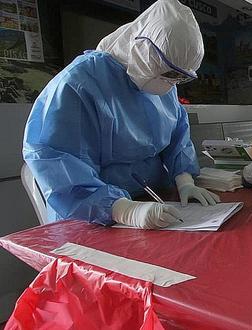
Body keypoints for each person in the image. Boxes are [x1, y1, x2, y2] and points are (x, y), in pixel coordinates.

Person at [22, 0, 219, 229]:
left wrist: (184, 180)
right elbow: (57, 162)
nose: (172, 82)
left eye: (180, 77)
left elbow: (177, 135)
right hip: (90, 218)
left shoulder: (161, 82)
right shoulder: (78, 86)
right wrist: (124, 210)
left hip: (155, 204)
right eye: (168, 73)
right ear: (143, 50)